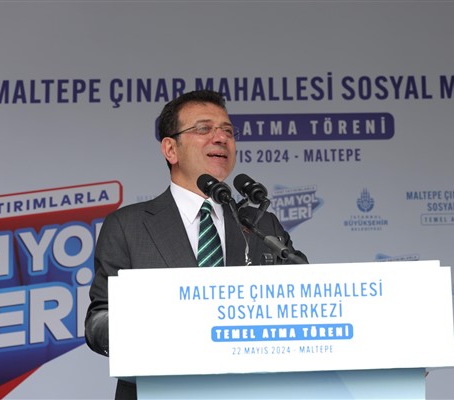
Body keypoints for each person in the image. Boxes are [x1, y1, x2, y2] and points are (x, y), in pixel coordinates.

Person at [85, 89, 307, 399]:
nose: (221, 138)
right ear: (170, 149)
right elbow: (98, 322)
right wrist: (158, 327)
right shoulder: (128, 225)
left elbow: (297, 306)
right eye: (204, 129)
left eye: (228, 131)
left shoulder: (260, 224)